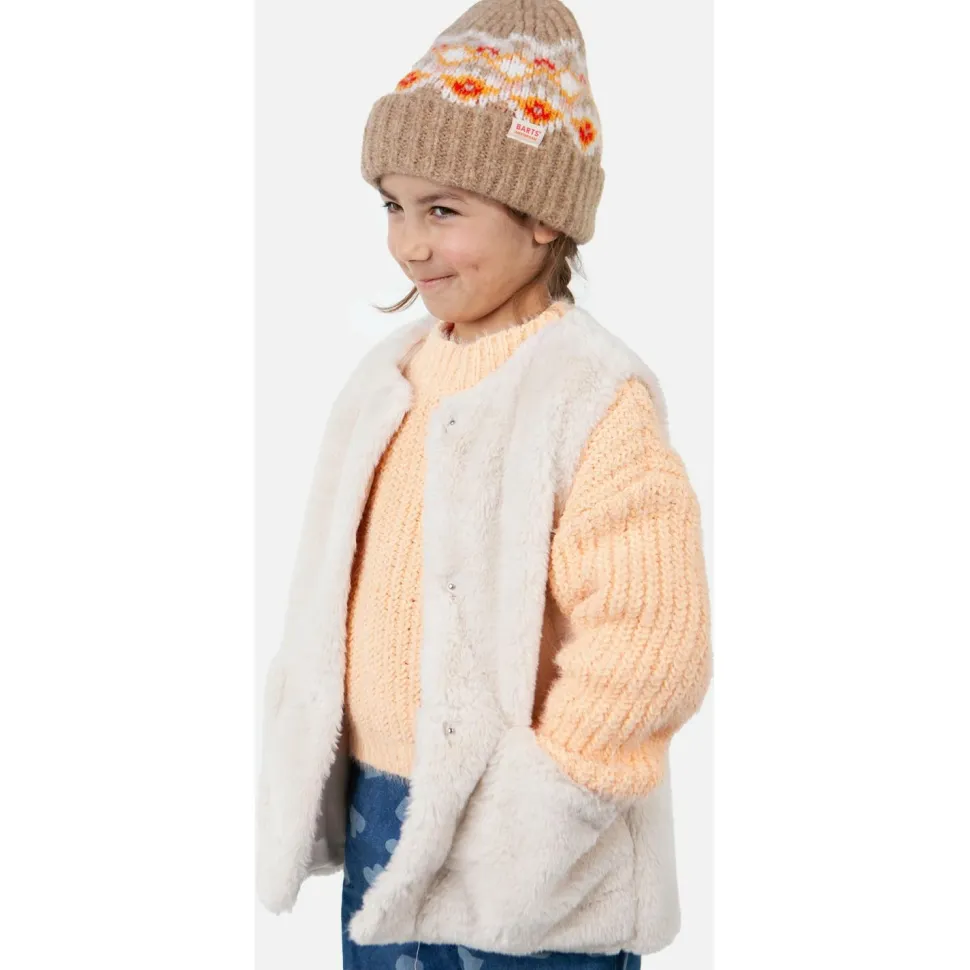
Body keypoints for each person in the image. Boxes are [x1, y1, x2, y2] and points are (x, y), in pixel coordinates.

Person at [256, 1, 712, 968]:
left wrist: (539, 817)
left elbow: (651, 639)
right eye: (393, 206)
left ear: (543, 215)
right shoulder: (390, 376)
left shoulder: (592, 396)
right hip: (384, 812)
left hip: (527, 852)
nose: (409, 245)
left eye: (443, 210)